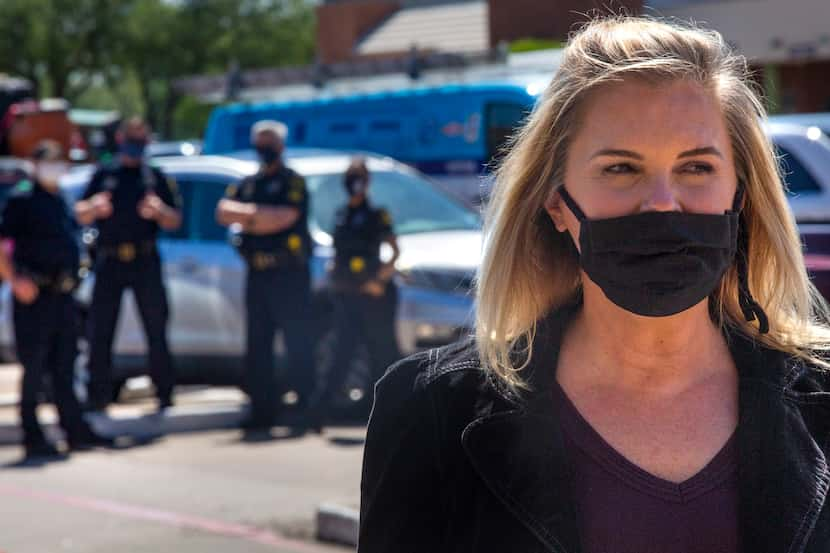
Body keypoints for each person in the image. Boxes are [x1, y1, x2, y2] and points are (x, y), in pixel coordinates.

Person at [358, 16, 830, 553]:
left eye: (696, 167)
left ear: (740, 196)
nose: (661, 203)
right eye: (621, 168)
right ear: (555, 201)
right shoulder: (433, 412)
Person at [0, 141, 111, 459]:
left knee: (65, 366)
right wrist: (14, 280)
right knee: (34, 368)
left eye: (59, 162)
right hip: (35, 296)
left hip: (64, 296)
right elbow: (3, 241)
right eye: (49, 162)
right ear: (35, 165)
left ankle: (74, 430)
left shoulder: (61, 197)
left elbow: (71, 231)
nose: (56, 168)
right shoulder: (22, 198)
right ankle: (32, 435)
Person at [75, 117, 182, 413]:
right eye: (132, 139)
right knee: (101, 330)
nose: (137, 145)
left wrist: (159, 212)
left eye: (142, 139)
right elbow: (80, 213)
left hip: (145, 259)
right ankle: (98, 396)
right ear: (121, 140)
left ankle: (164, 391)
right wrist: (94, 208)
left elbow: (175, 220)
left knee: (156, 327)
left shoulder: (155, 176)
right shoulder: (105, 173)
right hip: (109, 260)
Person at [215, 120, 314, 431]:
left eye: (268, 144)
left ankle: (305, 409)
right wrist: (260, 217)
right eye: (259, 144)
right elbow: (222, 212)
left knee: (298, 341)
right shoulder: (248, 183)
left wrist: (246, 217)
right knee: (258, 345)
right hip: (257, 274)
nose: (263, 151)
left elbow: (286, 218)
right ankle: (262, 410)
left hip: (289, 274)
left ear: (281, 146)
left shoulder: (293, 182)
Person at [305, 158, 400, 432]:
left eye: (359, 178)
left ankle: (388, 416)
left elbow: (394, 252)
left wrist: (379, 279)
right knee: (341, 354)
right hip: (348, 295)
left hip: (374, 295)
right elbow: (338, 255)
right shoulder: (341, 214)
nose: (355, 184)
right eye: (351, 178)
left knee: (382, 355)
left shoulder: (376, 215)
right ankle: (316, 415)